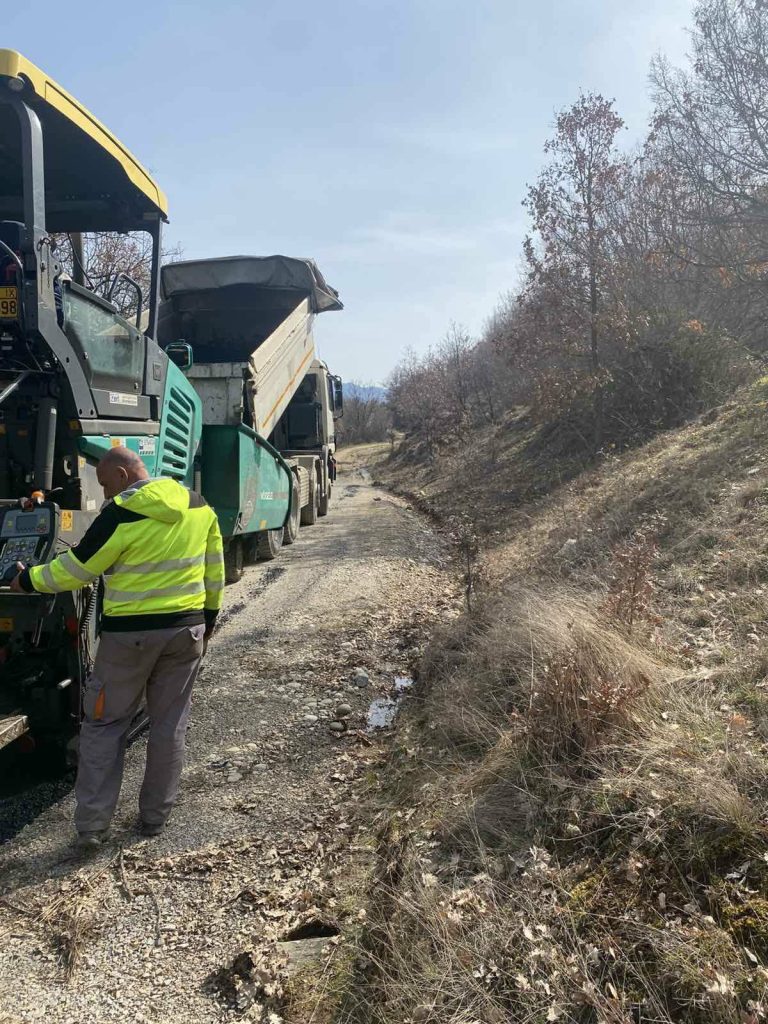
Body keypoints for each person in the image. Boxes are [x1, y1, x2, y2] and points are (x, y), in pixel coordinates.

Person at [11, 446, 225, 849]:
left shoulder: (121, 513)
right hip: (187, 631)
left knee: (104, 725)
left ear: (123, 476)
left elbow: (77, 569)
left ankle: (93, 826)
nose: (106, 493)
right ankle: (154, 819)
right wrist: (209, 618)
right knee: (169, 725)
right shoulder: (199, 506)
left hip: (130, 638)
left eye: (106, 484)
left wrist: (28, 579)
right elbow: (215, 568)